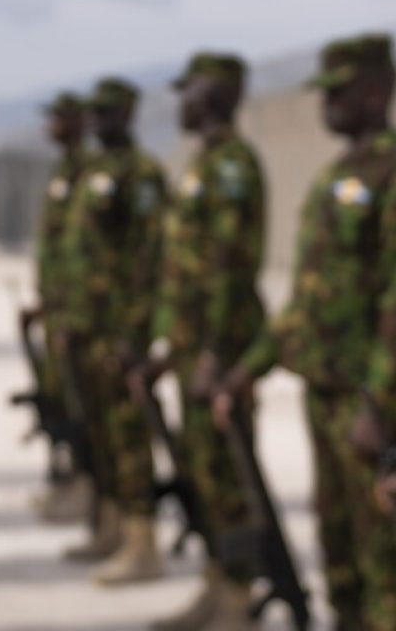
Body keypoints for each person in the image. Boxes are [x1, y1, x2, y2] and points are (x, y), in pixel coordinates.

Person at [216, 34, 396, 630]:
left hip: (371, 410)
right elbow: (305, 305)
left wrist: (379, 404)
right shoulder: (335, 177)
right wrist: (246, 368)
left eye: (338, 93)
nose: (326, 106)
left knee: (384, 568)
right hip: (326, 397)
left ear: (376, 90)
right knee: (340, 558)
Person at [148, 52, 267, 631]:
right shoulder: (206, 163)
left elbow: (229, 269)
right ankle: (216, 586)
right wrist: (172, 346)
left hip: (217, 356)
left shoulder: (232, 168)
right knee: (204, 474)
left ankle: (239, 599)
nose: (181, 103)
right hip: (193, 351)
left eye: (188, 91)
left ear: (214, 96)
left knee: (229, 480)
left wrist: (216, 356)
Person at [61, 77, 166, 584]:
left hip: (118, 331)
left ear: (128, 114)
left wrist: (134, 332)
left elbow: (149, 259)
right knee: (100, 433)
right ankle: (113, 526)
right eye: (95, 113)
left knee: (129, 438)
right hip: (86, 326)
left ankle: (144, 543)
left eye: (108, 112)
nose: (99, 121)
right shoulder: (94, 171)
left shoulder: (141, 174)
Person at [27, 91, 91, 522]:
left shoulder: (87, 173)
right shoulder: (62, 172)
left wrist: (70, 310)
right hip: (58, 309)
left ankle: (89, 493)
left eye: (59, 118)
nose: (51, 126)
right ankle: (73, 485)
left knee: (83, 408)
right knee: (60, 402)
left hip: (81, 314)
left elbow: (86, 254)